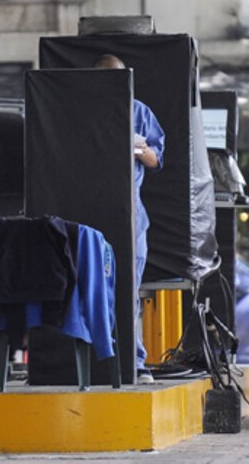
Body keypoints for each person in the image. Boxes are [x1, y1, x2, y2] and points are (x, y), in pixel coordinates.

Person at [95, 54, 165, 385]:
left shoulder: (139, 111)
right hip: (89, 208)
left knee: (128, 288)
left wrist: (133, 148)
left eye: (117, 78)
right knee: (94, 287)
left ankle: (133, 362)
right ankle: (96, 360)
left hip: (131, 212)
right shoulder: (80, 108)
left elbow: (155, 158)